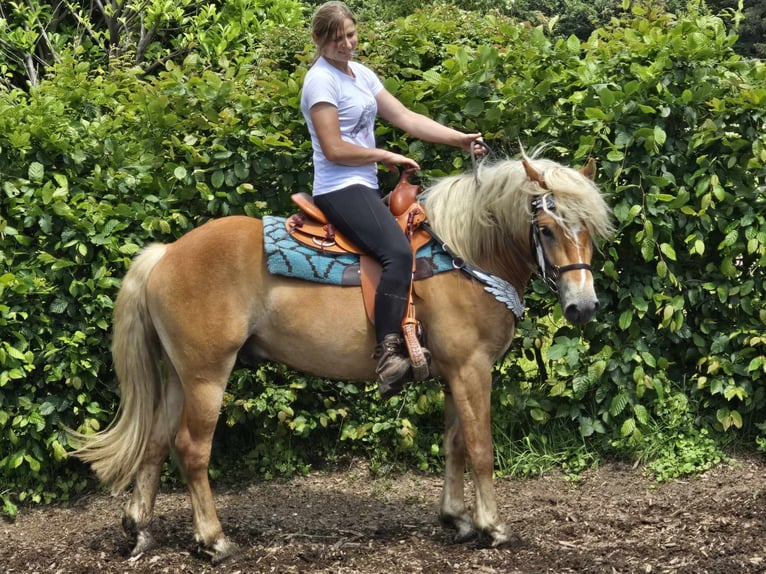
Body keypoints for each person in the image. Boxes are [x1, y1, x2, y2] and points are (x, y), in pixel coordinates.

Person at [300, 1, 483, 398]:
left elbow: (405, 117)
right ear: (318, 41)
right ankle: (387, 354)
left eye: (350, 35)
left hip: (362, 186)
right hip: (338, 187)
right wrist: (385, 156)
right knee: (397, 253)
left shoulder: (360, 74)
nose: (347, 45)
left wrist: (459, 138)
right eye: (336, 41)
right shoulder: (320, 82)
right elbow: (333, 148)